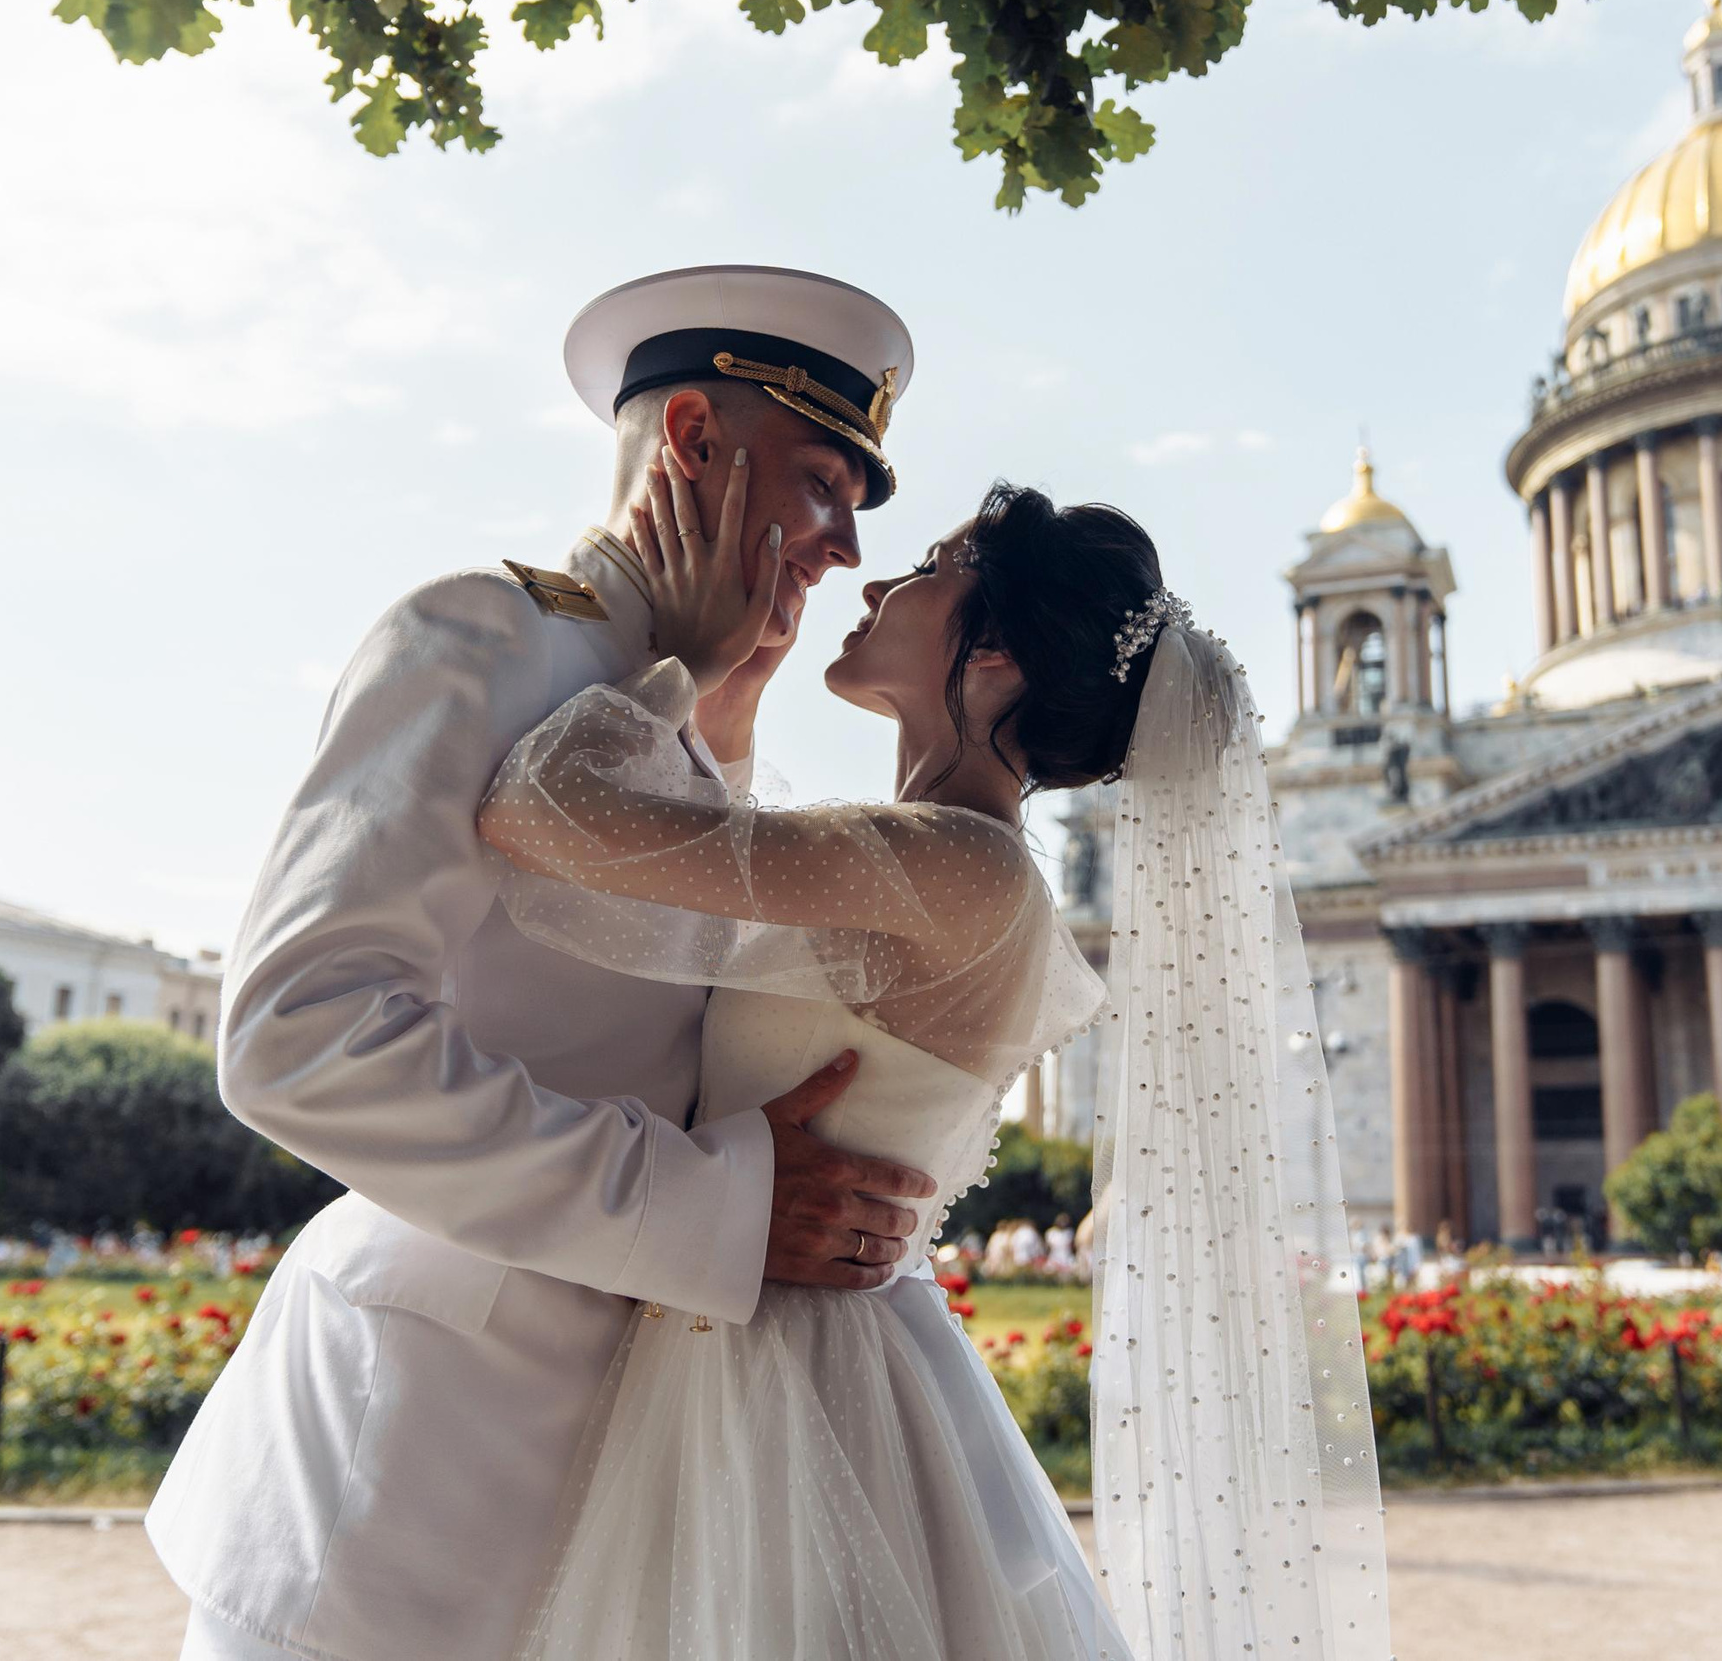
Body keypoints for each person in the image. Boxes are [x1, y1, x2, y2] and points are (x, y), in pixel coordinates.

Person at [146, 266, 935, 1661]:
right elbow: (297, 1035)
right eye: (822, 482)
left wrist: (718, 710)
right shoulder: (483, 632)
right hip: (421, 1454)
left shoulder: (695, 690)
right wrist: (708, 1209)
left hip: (643, 1453)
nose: (841, 547)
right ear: (693, 438)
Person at [477, 472, 1390, 1658]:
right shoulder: (948, 859)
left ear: (996, 649)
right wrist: (741, 693)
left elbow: (540, 808)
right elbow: (703, 918)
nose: (881, 579)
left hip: (779, 1384)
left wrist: (687, 663)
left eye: (930, 566)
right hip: (783, 1351)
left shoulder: (952, 866)